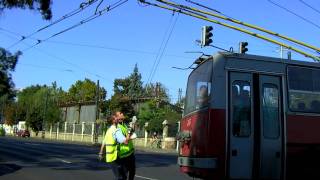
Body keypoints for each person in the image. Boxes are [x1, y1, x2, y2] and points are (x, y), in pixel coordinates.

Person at [99, 112, 131, 180]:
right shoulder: (116, 131)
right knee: (121, 176)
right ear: (114, 120)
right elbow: (125, 142)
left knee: (122, 175)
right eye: (116, 117)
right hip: (115, 156)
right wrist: (129, 132)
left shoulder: (109, 130)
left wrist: (101, 153)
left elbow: (104, 142)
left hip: (111, 157)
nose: (118, 118)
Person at [116, 111, 136, 180]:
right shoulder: (118, 128)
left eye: (122, 113)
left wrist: (133, 126)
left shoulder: (124, 124)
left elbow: (129, 133)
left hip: (130, 154)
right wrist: (131, 136)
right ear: (117, 117)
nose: (122, 114)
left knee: (132, 172)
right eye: (120, 113)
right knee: (123, 176)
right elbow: (126, 141)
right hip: (123, 156)